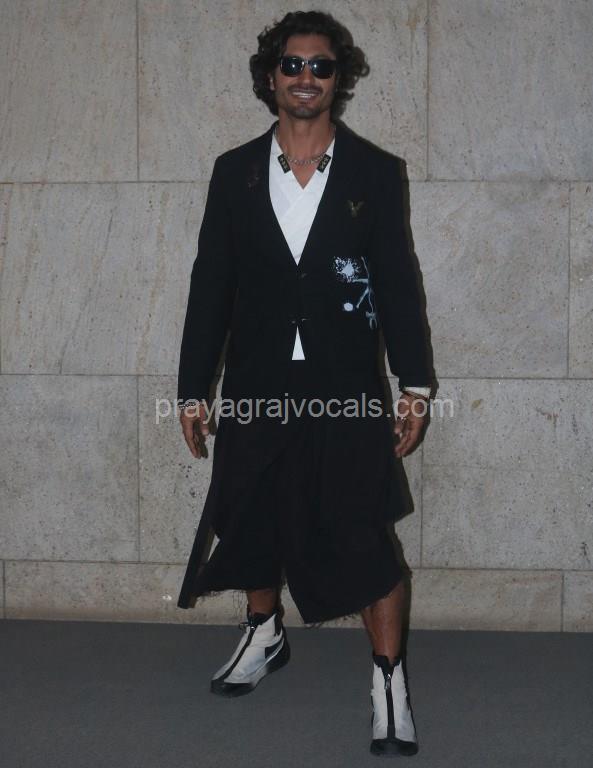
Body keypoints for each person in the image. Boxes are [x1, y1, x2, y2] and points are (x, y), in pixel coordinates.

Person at [176, 10, 434, 758]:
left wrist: (415, 384)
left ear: (338, 79)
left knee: (363, 528)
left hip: (344, 383)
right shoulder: (232, 171)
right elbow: (210, 286)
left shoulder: (373, 172)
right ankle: (263, 631)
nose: (305, 77)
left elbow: (397, 282)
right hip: (257, 380)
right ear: (270, 76)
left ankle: (388, 681)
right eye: (292, 64)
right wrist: (193, 388)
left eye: (321, 66)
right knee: (251, 510)